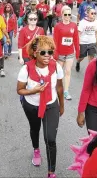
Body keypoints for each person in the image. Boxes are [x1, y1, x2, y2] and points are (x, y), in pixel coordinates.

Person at [17, 35, 64, 178]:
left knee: (50, 139)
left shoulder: (56, 66)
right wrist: (34, 90)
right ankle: (36, 149)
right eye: (43, 52)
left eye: (50, 52)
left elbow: (60, 88)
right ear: (35, 52)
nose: (47, 55)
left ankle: (51, 173)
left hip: (51, 105)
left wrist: (61, 106)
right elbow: (20, 90)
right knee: (35, 129)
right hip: (31, 105)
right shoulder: (26, 69)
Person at [53, 6, 79, 101]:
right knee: (59, 73)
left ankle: (66, 91)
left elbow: (76, 40)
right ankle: (56, 90)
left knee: (68, 72)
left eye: (69, 14)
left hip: (70, 53)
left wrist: (77, 52)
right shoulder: (58, 26)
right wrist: (55, 53)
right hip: (60, 53)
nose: (67, 16)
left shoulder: (74, 25)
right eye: (65, 14)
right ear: (62, 14)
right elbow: (55, 41)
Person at [75, 6, 97, 72]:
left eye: (95, 13)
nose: (94, 15)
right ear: (87, 14)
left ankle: (90, 72)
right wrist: (78, 44)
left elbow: (96, 32)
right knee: (81, 57)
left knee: (91, 58)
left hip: (92, 42)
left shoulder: (96, 22)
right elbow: (78, 34)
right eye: (92, 13)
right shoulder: (82, 22)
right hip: (83, 42)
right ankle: (78, 62)